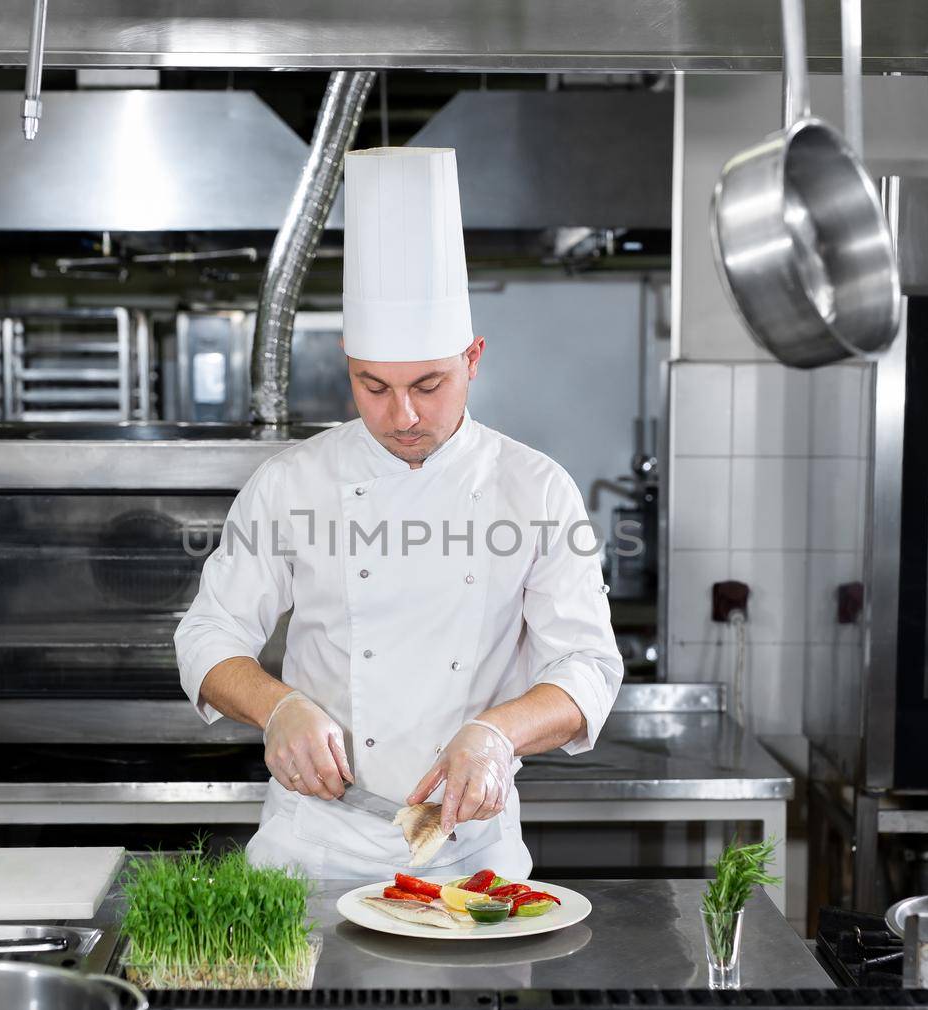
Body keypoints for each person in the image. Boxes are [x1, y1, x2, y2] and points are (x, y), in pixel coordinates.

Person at [174, 146, 622, 880]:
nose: (403, 413)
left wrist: (497, 733)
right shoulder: (293, 482)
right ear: (349, 358)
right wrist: (277, 706)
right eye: (373, 385)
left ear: (474, 357)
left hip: (469, 850)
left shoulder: (535, 489)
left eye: (430, 383)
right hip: (311, 847)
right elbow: (207, 634)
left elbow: (588, 668)